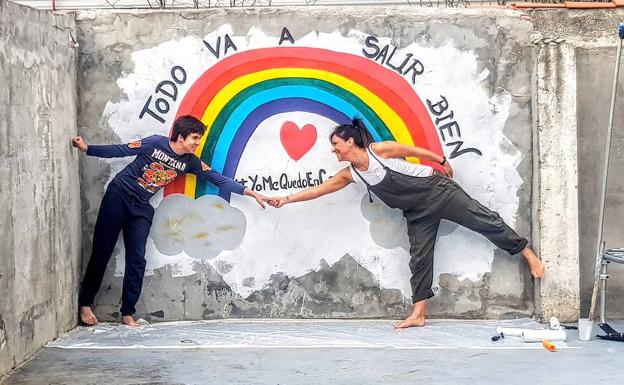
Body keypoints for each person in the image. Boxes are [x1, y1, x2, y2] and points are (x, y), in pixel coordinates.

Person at [267, 118, 545, 329]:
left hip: (439, 191)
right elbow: (318, 190)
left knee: (484, 221)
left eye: (335, 145)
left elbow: (413, 150)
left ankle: (527, 253)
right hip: (416, 212)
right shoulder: (350, 174)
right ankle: (419, 314)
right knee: (419, 259)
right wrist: (286, 199)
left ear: (350, 142)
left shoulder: (380, 151)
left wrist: (442, 161)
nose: (333, 150)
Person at [71, 115, 268, 326]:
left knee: (137, 260)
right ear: (181, 136)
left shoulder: (190, 162)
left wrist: (251, 193)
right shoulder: (155, 143)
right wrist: (87, 148)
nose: (197, 143)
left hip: (141, 208)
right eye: (194, 137)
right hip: (118, 196)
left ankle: (127, 312)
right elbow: (122, 149)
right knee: (102, 251)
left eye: (199, 139)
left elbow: (218, 178)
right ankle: (86, 304)